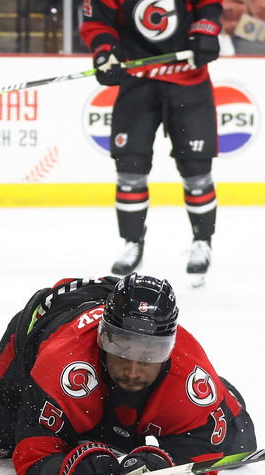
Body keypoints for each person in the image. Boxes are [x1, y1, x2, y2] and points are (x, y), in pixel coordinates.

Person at [0, 274, 257, 475]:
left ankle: (220, 395)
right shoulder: (62, 362)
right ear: (102, 337)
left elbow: (208, 456)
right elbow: (31, 452)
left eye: (149, 354)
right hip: (44, 328)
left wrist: (170, 472)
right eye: (120, 346)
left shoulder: (188, 369)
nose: (133, 369)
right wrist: (67, 472)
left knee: (241, 438)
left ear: (169, 348)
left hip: (114, 360)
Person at [81, 1, 222, 283]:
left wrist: (205, 31)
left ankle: (202, 241)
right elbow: (99, 21)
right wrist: (104, 53)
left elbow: (209, 5)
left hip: (189, 84)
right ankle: (132, 242)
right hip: (138, 84)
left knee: (197, 171)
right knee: (130, 168)